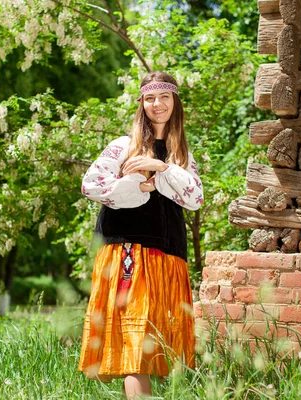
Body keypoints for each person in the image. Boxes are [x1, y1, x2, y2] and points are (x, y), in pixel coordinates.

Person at [78, 71, 204, 398]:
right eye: (150, 98)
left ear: (175, 102)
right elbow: (90, 185)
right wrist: (136, 187)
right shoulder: (123, 146)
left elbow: (195, 199)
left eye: (164, 97)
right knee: (135, 344)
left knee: (157, 344)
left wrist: (162, 169)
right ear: (141, 103)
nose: (157, 104)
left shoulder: (182, 156)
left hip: (168, 254)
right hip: (127, 251)